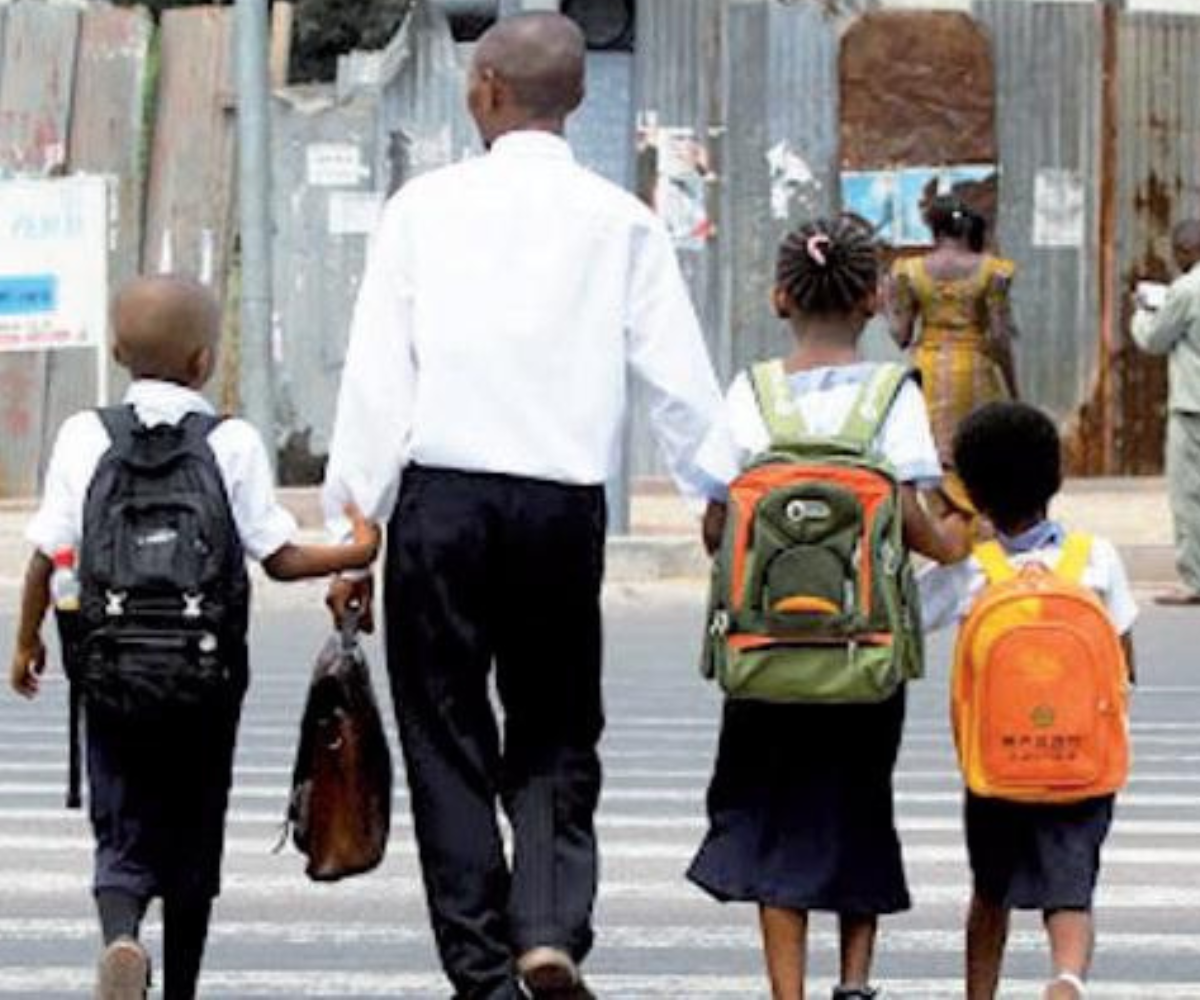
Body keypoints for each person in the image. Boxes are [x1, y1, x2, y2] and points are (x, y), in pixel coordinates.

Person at [321, 13, 735, 1000]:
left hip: (443, 505)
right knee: (553, 727)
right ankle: (547, 926)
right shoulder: (621, 220)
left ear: (492, 90)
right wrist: (714, 495)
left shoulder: (424, 210)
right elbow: (677, 376)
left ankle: (481, 967)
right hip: (561, 508)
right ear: (576, 98)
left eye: (472, 79)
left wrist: (353, 526)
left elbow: (381, 376)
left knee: (447, 733)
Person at [8, 275, 381, 1000]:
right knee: (193, 824)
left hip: (109, 674)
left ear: (117, 351)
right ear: (204, 361)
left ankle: (121, 938)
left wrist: (27, 644)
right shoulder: (231, 442)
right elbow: (279, 556)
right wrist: (356, 549)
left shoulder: (84, 434)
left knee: (119, 819)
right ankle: (179, 987)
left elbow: (44, 554)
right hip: (203, 685)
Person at [687, 216, 970, 1000]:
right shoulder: (892, 396)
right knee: (856, 808)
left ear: (781, 297)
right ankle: (855, 982)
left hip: (764, 653)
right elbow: (913, 521)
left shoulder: (751, 393)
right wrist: (954, 543)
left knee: (778, 819)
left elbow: (717, 523)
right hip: (863, 653)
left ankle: (788, 992)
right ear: (877, 299)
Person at [919, 402, 1138, 1000]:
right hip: (1080, 762)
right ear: (1055, 479)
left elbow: (905, 615)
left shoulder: (971, 573)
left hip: (997, 766)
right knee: (1071, 890)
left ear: (977, 493)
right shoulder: (1096, 559)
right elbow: (1124, 660)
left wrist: (945, 505)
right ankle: (1067, 977)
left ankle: (980, 993)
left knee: (990, 892)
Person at [889, 196, 1020, 516]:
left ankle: (947, 527)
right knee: (980, 451)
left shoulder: (908, 272)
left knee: (936, 454)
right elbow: (1000, 338)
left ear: (934, 229)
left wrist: (885, 306)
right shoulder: (993, 271)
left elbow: (901, 336)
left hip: (929, 371)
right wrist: (1013, 389)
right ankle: (982, 529)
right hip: (976, 367)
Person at [1131, 219, 1200, 605]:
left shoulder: (1186, 289)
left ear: (1188, 250)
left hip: (1193, 407)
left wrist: (1142, 312)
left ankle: (1194, 581)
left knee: (1190, 496)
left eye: (1177, 252)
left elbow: (1155, 339)